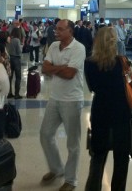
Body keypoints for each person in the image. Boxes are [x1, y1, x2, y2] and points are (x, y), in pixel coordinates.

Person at [84, 27, 132, 191]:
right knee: (121, 159)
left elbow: (92, 88)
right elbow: (127, 85)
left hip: (100, 112)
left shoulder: (89, 63)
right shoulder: (122, 61)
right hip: (121, 113)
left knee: (98, 157)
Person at [40, 19, 86, 191]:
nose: (56, 32)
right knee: (45, 134)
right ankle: (56, 168)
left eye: (60, 29)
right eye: (56, 29)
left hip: (72, 101)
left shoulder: (78, 48)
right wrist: (60, 67)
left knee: (73, 144)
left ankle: (71, 180)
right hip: (54, 98)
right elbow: (45, 68)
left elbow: (70, 74)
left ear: (70, 31)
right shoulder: (53, 46)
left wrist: (55, 68)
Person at [7, 27, 23, 99]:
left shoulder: (9, 39)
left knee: (10, 77)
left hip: (10, 58)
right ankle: (17, 94)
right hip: (16, 59)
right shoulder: (17, 40)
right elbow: (19, 51)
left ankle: (9, 93)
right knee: (18, 77)